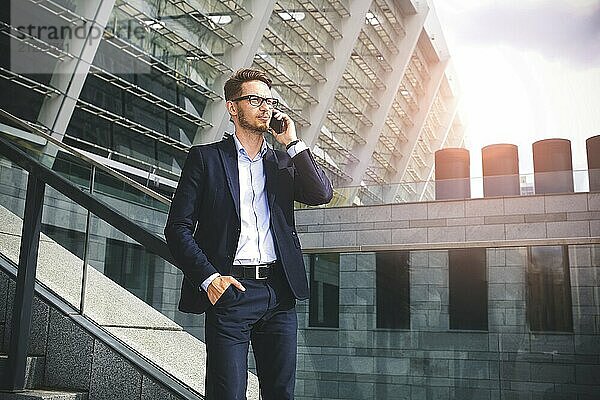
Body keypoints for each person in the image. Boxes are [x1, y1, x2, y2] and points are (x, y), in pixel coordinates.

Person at [164, 68, 333, 400]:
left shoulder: (283, 164)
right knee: (227, 394)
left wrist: (293, 143)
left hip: (279, 293)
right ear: (232, 108)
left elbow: (321, 194)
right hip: (232, 293)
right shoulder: (206, 159)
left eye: (268, 101)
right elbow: (177, 228)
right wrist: (210, 278)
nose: (265, 107)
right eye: (254, 99)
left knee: (280, 394)